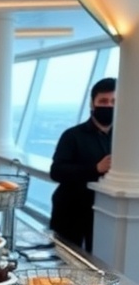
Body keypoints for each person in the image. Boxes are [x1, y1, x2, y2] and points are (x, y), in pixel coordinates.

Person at [49, 77, 116, 252]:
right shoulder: (72, 135)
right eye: (103, 101)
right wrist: (95, 169)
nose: (109, 106)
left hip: (106, 213)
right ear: (93, 104)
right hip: (71, 210)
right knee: (65, 263)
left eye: (114, 101)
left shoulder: (124, 139)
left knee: (101, 264)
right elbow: (56, 171)